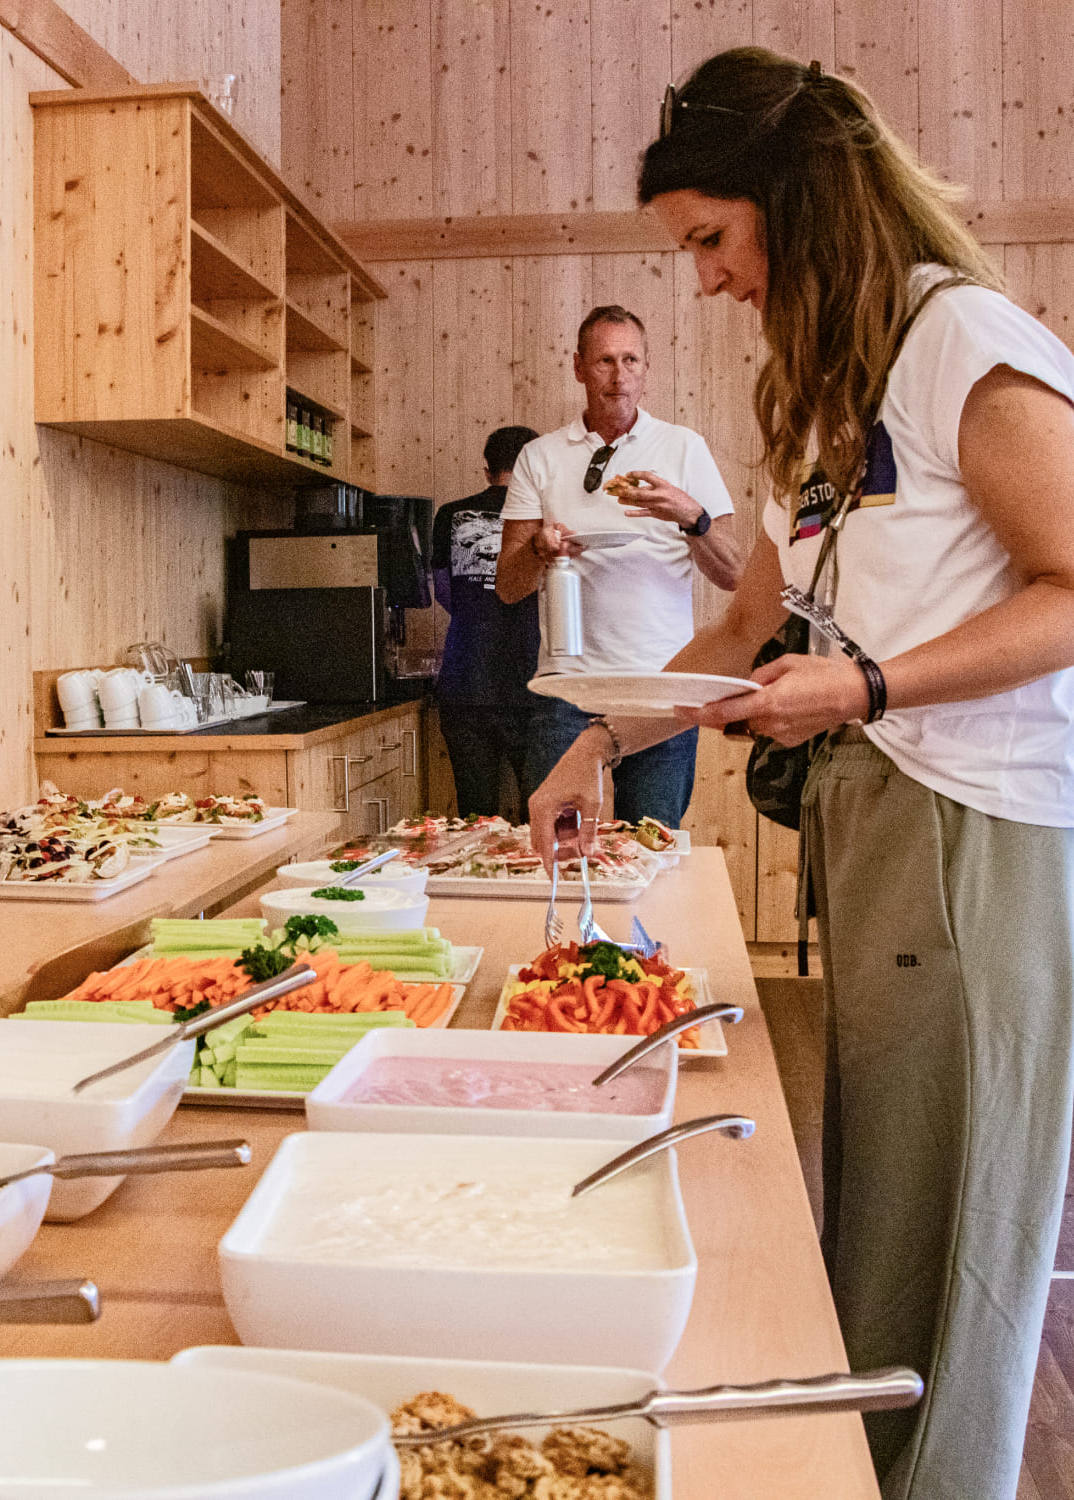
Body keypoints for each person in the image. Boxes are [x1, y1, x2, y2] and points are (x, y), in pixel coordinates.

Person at [527, 48, 1074, 1500]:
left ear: (802, 201)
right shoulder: (836, 382)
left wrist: (869, 683)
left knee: (956, 1218)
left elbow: (1073, 584)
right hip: (883, 807)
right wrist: (596, 744)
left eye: (712, 238)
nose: (703, 279)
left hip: (977, 820)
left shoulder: (962, 341)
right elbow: (741, 623)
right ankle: (862, 1469)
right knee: (890, 1199)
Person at [496, 305, 743, 828]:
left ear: (647, 368)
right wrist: (539, 551)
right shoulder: (539, 456)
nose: (619, 373)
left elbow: (736, 575)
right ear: (580, 367)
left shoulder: (683, 447)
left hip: (661, 691)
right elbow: (508, 587)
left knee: (651, 855)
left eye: (631, 359)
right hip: (568, 691)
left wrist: (690, 515)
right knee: (560, 856)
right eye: (605, 360)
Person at [430, 426, 543, 818]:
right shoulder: (544, 517)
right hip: (531, 683)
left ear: (487, 470)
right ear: (535, 468)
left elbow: (444, 593)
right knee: (541, 819)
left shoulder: (450, 515)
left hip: (465, 682)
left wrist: (478, 609)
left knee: (475, 820)